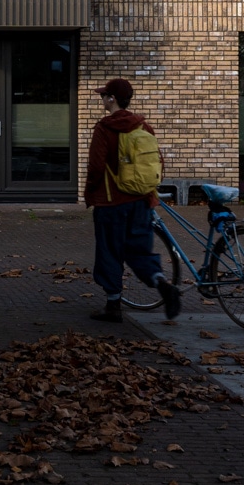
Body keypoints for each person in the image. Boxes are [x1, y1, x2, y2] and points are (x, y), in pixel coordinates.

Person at [84, 76, 179, 323]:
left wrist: (90, 193)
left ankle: (113, 306)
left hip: (111, 203)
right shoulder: (143, 127)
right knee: (139, 250)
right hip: (141, 201)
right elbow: (158, 162)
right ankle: (161, 282)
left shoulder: (105, 128)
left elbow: (95, 167)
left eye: (104, 95)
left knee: (110, 252)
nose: (102, 99)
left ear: (112, 99)